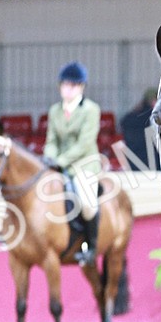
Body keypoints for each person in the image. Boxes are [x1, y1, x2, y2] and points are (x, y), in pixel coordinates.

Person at [43, 61, 102, 265]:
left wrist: (59, 161)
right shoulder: (54, 111)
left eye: (74, 85)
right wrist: (49, 157)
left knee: (87, 203)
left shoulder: (91, 110)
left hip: (83, 166)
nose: (69, 89)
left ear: (81, 87)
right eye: (66, 85)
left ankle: (91, 246)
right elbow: (51, 141)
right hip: (58, 166)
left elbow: (85, 144)